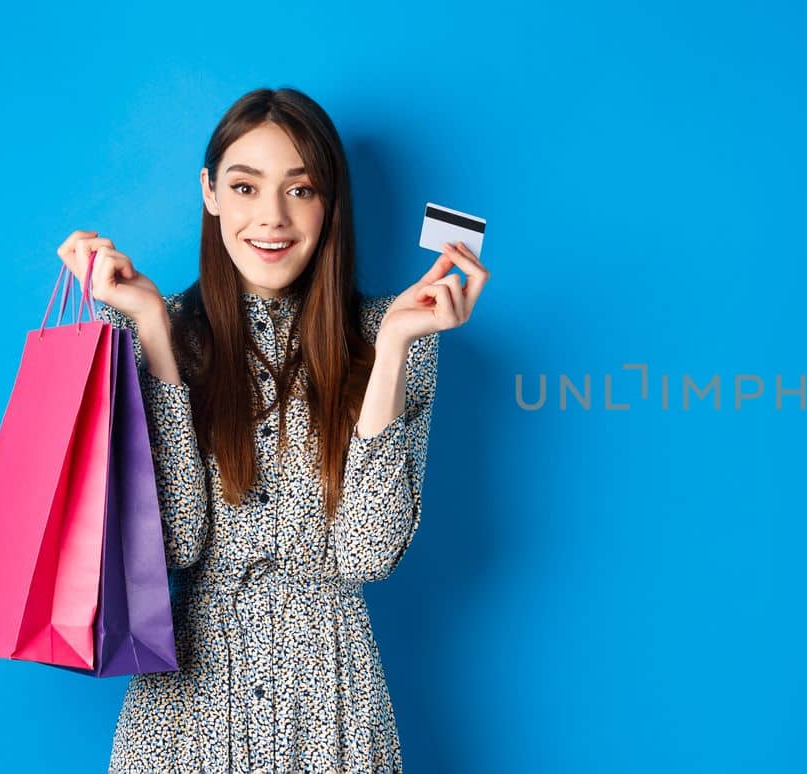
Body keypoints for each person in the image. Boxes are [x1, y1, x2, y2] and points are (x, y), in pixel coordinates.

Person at [53, 86, 489, 772]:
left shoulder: (392, 335)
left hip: (332, 709)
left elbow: (367, 554)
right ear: (210, 192)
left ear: (330, 202)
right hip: (185, 715)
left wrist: (398, 344)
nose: (272, 218)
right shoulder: (159, 332)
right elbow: (179, 542)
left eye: (301, 189)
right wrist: (155, 337)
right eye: (245, 186)